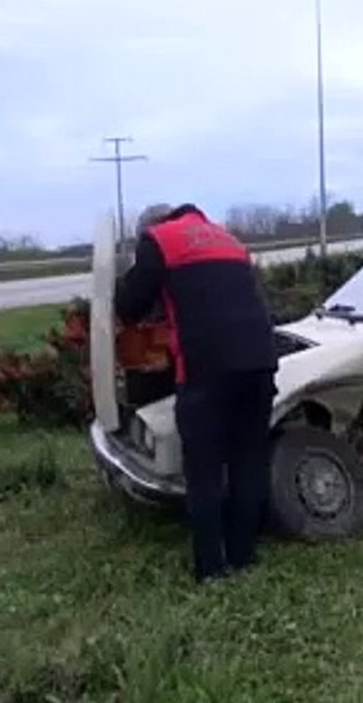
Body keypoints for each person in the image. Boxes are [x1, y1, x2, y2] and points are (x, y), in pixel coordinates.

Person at [114, 203, 278, 583]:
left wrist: (127, 283)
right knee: (248, 459)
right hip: (260, 359)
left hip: (207, 367)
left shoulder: (159, 240)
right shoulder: (230, 240)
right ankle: (243, 556)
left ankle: (211, 568)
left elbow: (131, 306)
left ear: (148, 229)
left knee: (203, 468)